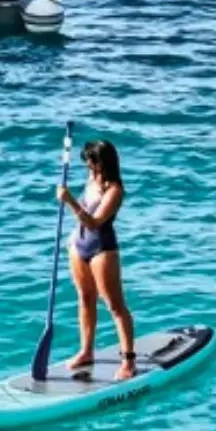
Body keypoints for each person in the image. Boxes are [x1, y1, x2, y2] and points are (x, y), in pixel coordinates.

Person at [58, 140, 137, 380]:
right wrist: (72, 237)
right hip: (78, 246)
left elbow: (95, 222)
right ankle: (86, 351)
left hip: (102, 249)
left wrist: (69, 200)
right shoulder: (91, 180)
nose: (89, 169)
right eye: (87, 165)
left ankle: (128, 361)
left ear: (104, 162)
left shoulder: (115, 190)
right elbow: (85, 210)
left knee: (115, 305)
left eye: (92, 164)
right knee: (85, 298)